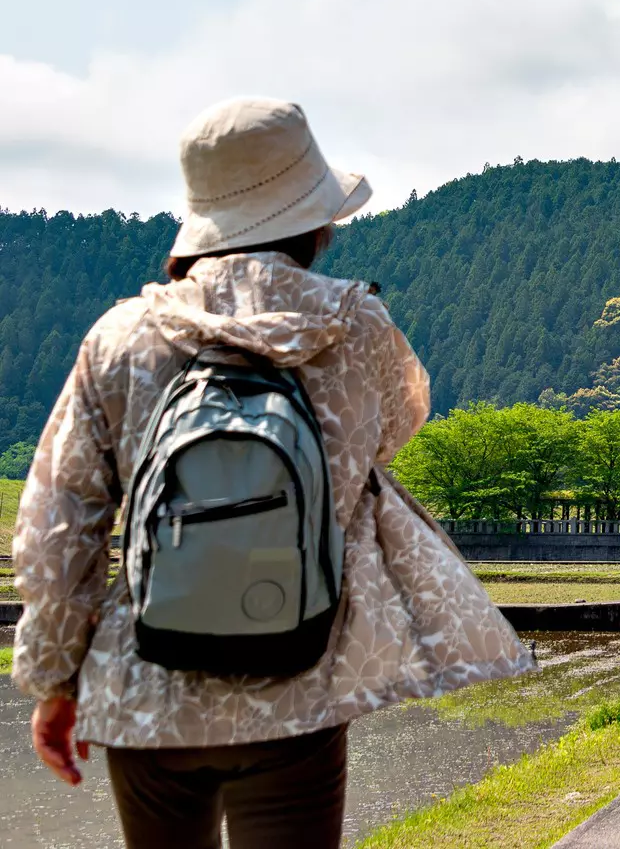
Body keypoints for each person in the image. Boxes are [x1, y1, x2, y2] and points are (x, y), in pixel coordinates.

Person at [10, 98, 531, 848]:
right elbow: (394, 430)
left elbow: (58, 529)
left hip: (148, 686)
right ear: (311, 216)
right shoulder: (357, 327)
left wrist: (57, 682)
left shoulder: (121, 338)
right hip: (301, 676)